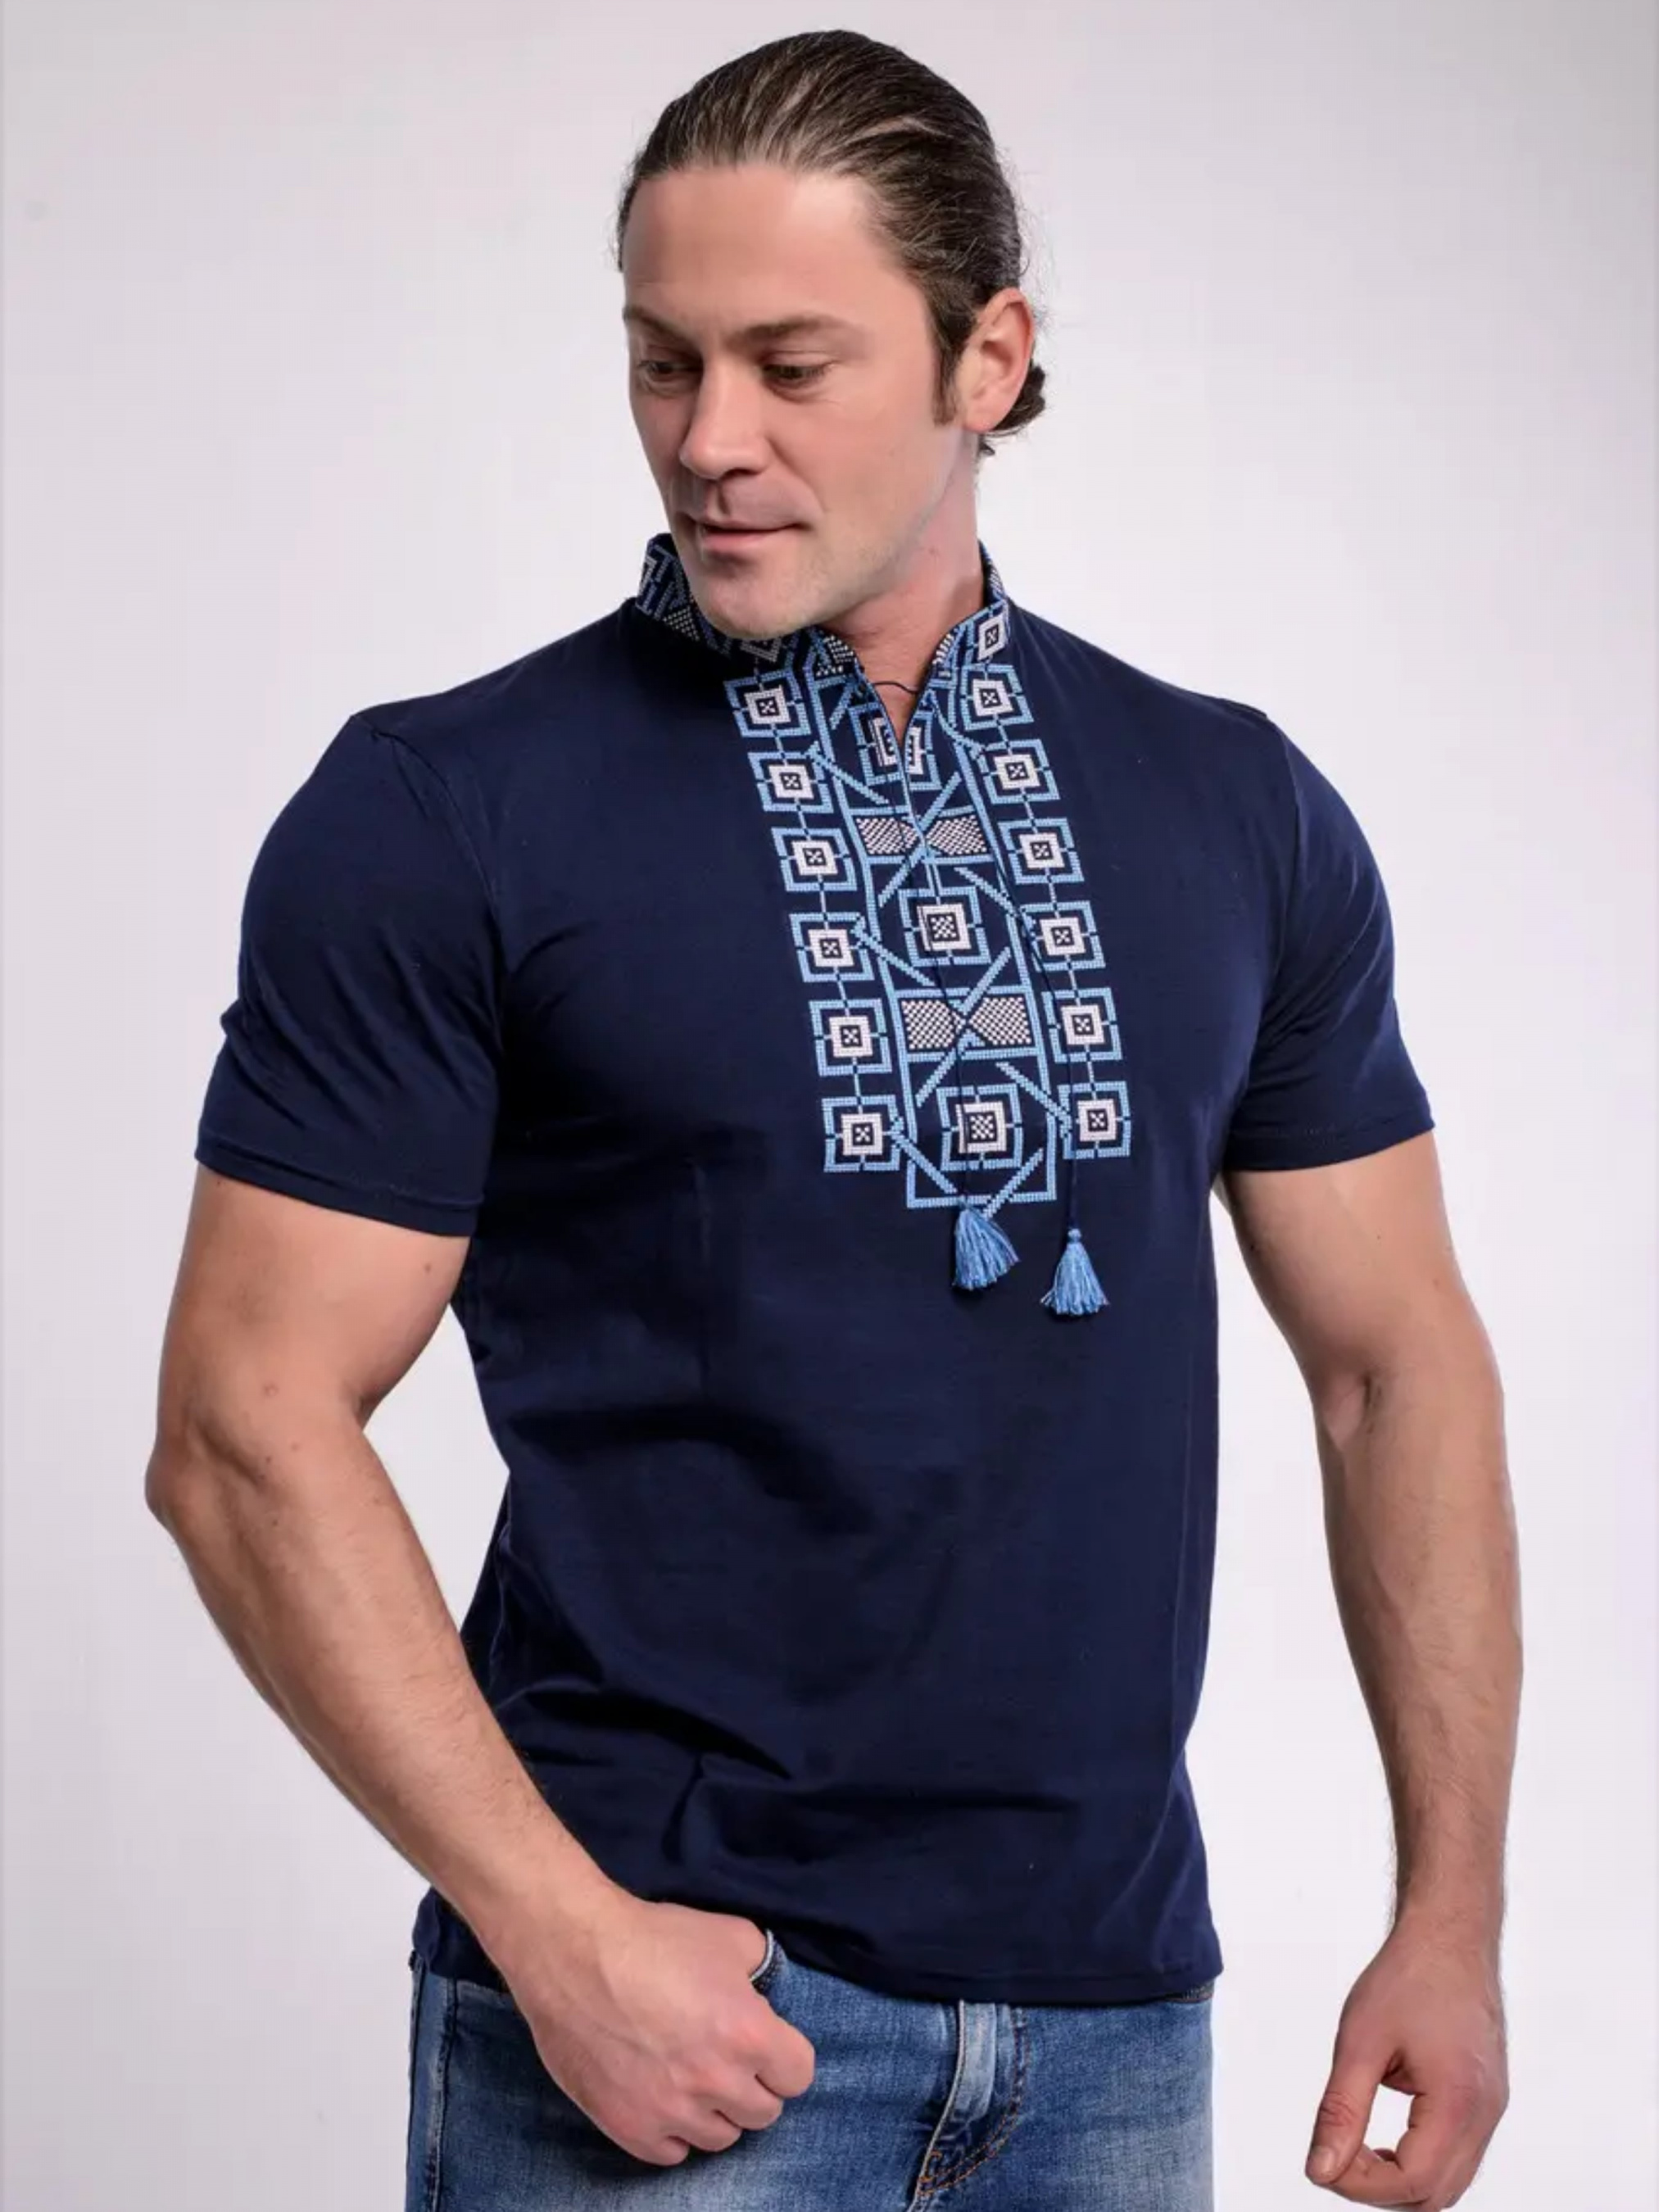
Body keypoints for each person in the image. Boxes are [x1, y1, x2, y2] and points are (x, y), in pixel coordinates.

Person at [145, 28, 1520, 2212]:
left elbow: (1392, 1365)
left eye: (792, 365)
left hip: (1117, 2029)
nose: (711, 439)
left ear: (990, 358)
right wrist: (559, 1932)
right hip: (663, 2032)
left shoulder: (1235, 806)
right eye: (661, 360)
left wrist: (1450, 1917)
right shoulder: (444, 810)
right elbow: (242, 1422)